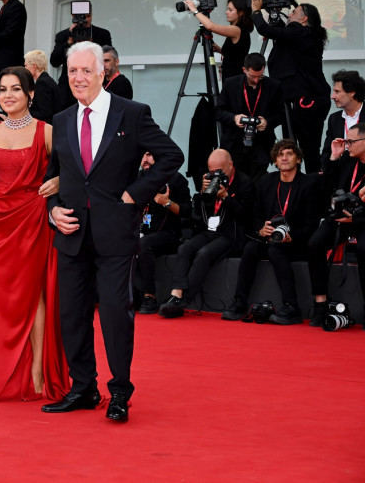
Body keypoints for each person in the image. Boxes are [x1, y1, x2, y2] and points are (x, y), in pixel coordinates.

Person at [43, 42, 183, 421]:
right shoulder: (61, 119)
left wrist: (135, 194)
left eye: (86, 70)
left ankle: (119, 391)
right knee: (72, 316)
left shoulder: (132, 113)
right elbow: (53, 178)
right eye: (72, 71)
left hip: (116, 234)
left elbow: (172, 155)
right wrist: (53, 211)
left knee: (115, 317)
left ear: (103, 73)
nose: (79, 78)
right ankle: (83, 388)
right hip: (72, 234)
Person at [0, 66, 70, 403]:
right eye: (4, 89)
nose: (8, 95)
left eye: (16, 89)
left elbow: (77, 168)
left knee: (33, 294)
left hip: (33, 219)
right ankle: (9, 370)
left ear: (31, 95)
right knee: (3, 299)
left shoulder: (47, 131)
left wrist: (60, 182)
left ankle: (39, 370)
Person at [225, 140, 321, 322]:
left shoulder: (308, 185)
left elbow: (312, 223)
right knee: (250, 249)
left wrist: (291, 237)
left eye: (289, 154)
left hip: (295, 240)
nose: (284, 158)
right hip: (268, 237)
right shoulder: (266, 181)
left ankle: (292, 307)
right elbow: (255, 213)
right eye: (280, 155)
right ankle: (239, 303)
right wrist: (261, 229)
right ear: (275, 161)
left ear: (298, 159)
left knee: (276, 251)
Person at [159, 149, 254, 319]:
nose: (216, 175)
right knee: (185, 248)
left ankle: (184, 301)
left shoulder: (245, 182)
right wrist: (204, 194)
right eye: (212, 171)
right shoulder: (209, 180)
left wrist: (226, 197)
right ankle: (176, 294)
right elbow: (199, 213)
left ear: (231, 166)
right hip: (209, 231)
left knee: (204, 254)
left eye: (220, 171)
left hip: (230, 234)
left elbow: (245, 215)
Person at [252, 0, 331, 173]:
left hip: (306, 100)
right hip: (309, 99)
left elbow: (267, 30)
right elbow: (282, 33)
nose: (289, 14)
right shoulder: (306, 35)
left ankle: (306, 186)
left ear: (304, 19)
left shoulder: (300, 32)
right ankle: (310, 185)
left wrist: (256, 11)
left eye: (294, 13)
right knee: (308, 148)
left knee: (303, 148)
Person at [307, 123, 365, 327]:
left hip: (362, 219)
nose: (347, 144)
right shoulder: (348, 160)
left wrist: (356, 219)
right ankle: (320, 304)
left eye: (351, 141)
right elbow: (327, 188)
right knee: (315, 244)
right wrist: (334, 157)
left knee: (363, 248)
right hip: (341, 216)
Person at [136, 152, 191, 314]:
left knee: (143, 244)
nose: (144, 160)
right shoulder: (136, 179)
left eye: (149, 155)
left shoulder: (176, 179)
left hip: (169, 234)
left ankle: (149, 296)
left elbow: (187, 211)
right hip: (140, 230)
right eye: (142, 156)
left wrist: (167, 203)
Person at [215, 52, 284, 181]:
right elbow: (218, 111)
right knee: (236, 183)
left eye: (260, 76)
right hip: (234, 144)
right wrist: (234, 118)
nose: (256, 80)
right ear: (244, 70)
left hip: (261, 144)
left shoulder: (274, 86)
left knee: (258, 184)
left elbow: (282, 114)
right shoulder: (231, 83)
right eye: (253, 76)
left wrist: (267, 122)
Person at [50, 0, 112, 109]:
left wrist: (91, 45)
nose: (83, 20)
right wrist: (68, 41)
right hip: (67, 92)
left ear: (91, 16)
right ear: (72, 16)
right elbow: (54, 61)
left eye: (86, 16)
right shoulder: (63, 35)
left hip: (93, 87)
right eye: (78, 17)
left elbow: (107, 59)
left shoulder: (101, 34)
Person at [184, 0, 252, 83]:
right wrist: (220, 50)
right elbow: (236, 55)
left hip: (235, 79)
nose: (226, 12)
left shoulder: (236, 30)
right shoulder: (238, 29)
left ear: (241, 13)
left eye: (230, 10)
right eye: (227, 9)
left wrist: (195, 10)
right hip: (232, 77)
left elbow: (210, 26)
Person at [320, 70, 364, 167]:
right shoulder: (334, 119)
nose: (332, 96)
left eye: (337, 92)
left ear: (352, 92)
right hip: (341, 174)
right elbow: (327, 152)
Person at [23, 49, 60, 124]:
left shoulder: (42, 83)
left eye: (26, 66)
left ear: (34, 66)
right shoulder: (47, 80)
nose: (24, 69)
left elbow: (45, 114)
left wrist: (24, 113)